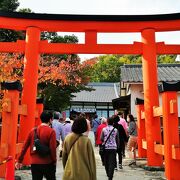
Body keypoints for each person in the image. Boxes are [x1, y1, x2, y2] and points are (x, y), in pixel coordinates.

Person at [16, 111, 57, 180]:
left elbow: (24, 147)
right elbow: (52, 149)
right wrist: (54, 160)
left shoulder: (33, 131)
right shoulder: (51, 131)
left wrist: (19, 160)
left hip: (35, 163)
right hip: (47, 162)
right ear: (50, 120)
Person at [62, 116, 96, 180]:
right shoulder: (87, 141)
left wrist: (66, 169)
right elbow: (91, 161)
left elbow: (64, 157)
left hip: (70, 172)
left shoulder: (67, 138)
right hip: (84, 174)